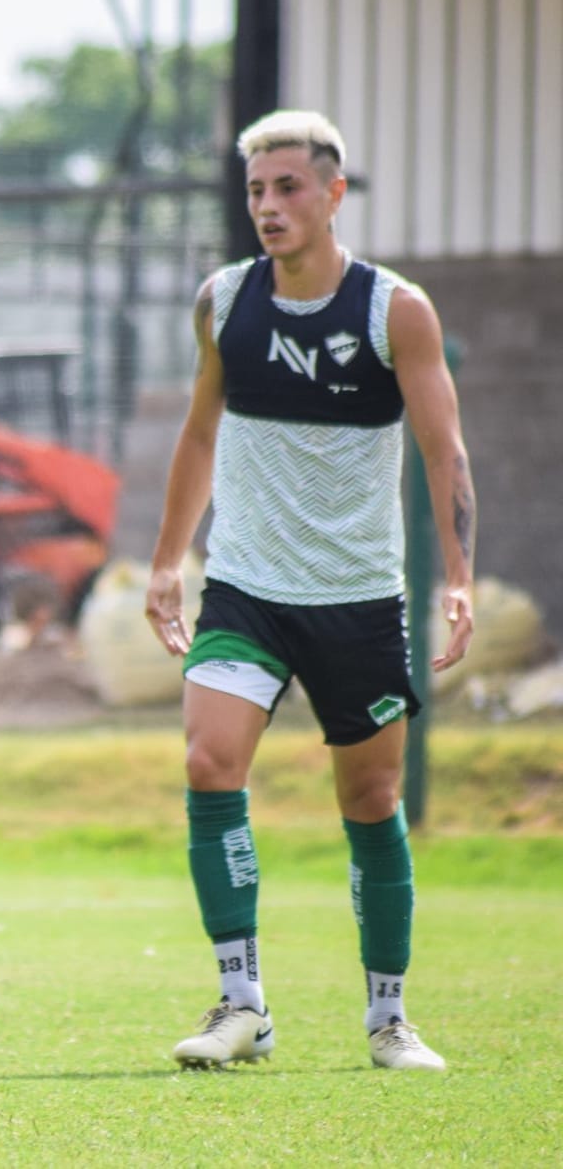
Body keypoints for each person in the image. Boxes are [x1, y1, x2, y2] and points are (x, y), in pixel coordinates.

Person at [145, 110, 476, 1074]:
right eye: (256, 190)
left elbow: (441, 447)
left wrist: (457, 579)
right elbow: (200, 436)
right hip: (247, 590)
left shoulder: (394, 310)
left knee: (371, 799)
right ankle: (240, 1004)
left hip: (360, 601)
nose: (269, 207)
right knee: (211, 763)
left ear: (334, 194)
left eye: (288, 187)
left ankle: (388, 1020)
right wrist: (169, 562)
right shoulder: (224, 302)